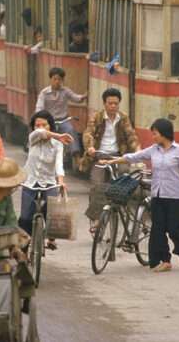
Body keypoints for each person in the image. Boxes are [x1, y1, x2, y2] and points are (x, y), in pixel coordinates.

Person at [100, 118, 179, 272]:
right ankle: (164, 261)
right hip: (157, 194)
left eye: (155, 134)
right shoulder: (153, 150)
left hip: (174, 196)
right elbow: (134, 157)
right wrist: (112, 161)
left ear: (164, 134)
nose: (153, 137)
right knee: (157, 229)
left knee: (174, 229)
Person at [80, 88, 139, 227]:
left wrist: (138, 150)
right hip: (99, 156)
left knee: (125, 176)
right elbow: (88, 133)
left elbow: (131, 136)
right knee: (97, 185)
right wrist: (90, 148)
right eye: (110, 103)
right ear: (104, 103)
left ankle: (121, 208)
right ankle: (95, 219)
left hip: (118, 156)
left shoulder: (123, 118)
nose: (113, 106)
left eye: (116, 103)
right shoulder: (97, 117)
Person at [19, 110, 73, 251]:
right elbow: (39, 134)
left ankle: (52, 238)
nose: (41, 128)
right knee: (25, 218)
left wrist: (61, 180)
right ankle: (23, 251)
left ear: (51, 126)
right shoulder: (33, 139)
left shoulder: (58, 145)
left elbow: (59, 165)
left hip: (48, 181)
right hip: (30, 181)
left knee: (53, 210)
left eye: (44, 124)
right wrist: (58, 135)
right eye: (37, 125)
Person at [35, 67, 86, 160]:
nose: (57, 81)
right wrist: (40, 116)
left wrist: (83, 97)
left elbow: (76, 98)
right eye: (55, 79)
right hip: (49, 122)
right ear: (50, 79)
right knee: (42, 134)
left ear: (62, 80)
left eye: (59, 79)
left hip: (63, 121)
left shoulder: (65, 91)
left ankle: (77, 157)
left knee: (71, 130)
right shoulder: (44, 93)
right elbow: (39, 107)